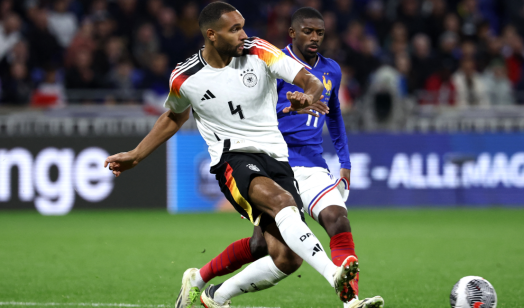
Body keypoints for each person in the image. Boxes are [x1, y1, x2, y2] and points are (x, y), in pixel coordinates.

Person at [104, 2, 359, 308]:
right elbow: (174, 116)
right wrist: (136, 155)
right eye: (234, 29)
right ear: (212, 35)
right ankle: (335, 276)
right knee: (283, 203)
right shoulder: (185, 77)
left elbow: (311, 81)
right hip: (233, 159)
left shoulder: (260, 51)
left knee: (286, 257)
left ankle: (212, 293)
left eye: (243, 26)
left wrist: (307, 97)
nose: (243, 35)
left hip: (277, 158)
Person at [176, 7, 384, 308]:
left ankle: (349, 299)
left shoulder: (331, 71)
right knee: (263, 246)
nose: (314, 38)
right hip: (275, 160)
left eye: (320, 33)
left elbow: (334, 114)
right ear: (293, 33)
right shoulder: (268, 61)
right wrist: (287, 110)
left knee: (336, 220)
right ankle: (206, 285)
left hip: (312, 165)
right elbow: (247, 114)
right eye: (308, 32)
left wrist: (346, 162)